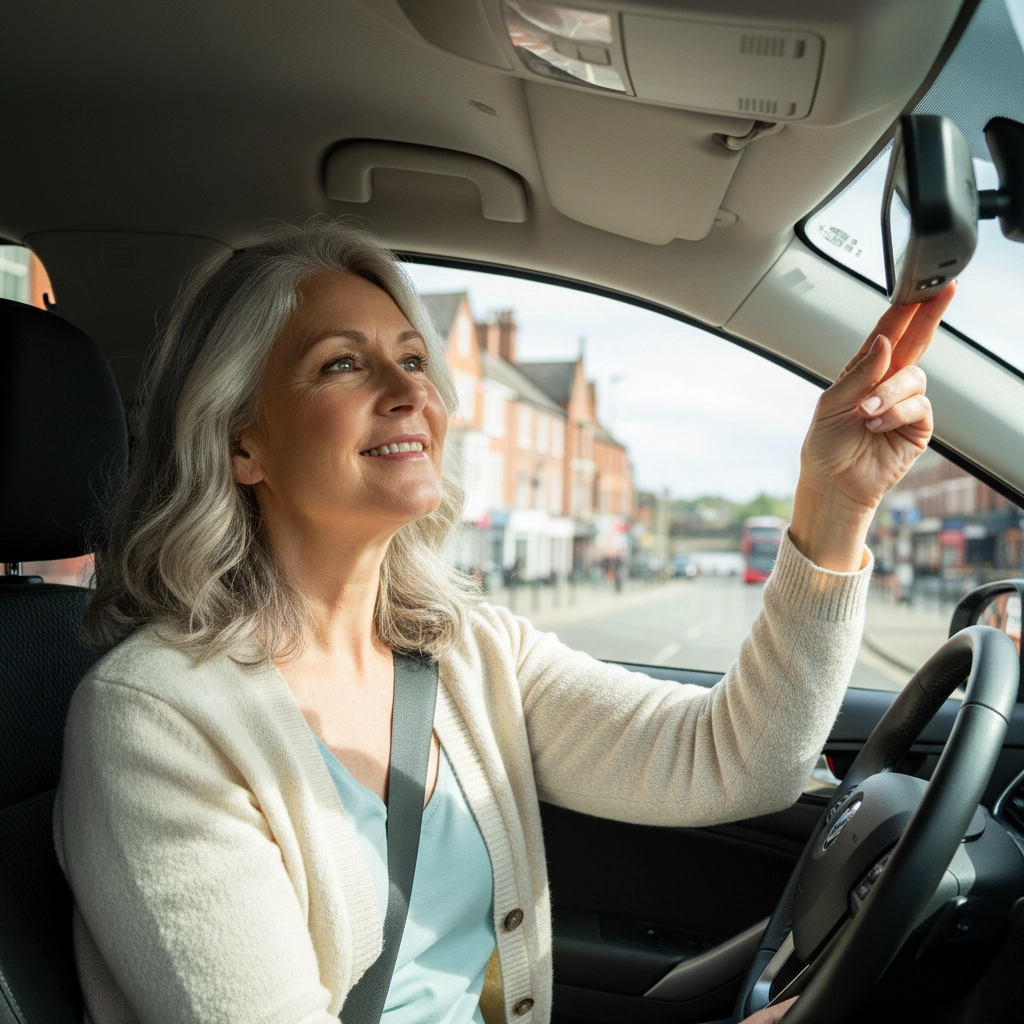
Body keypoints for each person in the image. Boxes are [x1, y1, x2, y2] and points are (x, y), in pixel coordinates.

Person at [54, 221, 956, 1024]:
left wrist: (833, 508)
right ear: (240, 441)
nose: (408, 391)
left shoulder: (467, 650)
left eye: (413, 360)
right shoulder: (153, 720)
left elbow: (739, 760)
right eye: (341, 362)